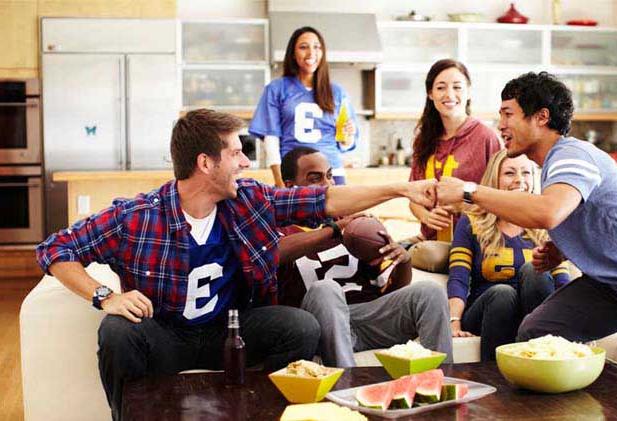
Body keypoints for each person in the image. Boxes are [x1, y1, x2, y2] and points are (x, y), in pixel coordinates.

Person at [36, 109, 436, 420]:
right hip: (167, 335)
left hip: (231, 332)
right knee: (118, 331)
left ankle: (264, 415)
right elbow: (56, 249)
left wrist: (399, 187)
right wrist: (104, 296)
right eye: (236, 153)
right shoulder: (138, 216)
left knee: (299, 326)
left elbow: (324, 200)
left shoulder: (248, 200)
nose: (245, 163)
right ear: (205, 163)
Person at [436, 72, 617, 391]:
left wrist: (469, 191)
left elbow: (548, 211)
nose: (500, 124)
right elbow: (596, 215)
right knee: (537, 333)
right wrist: (562, 248)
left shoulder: (571, 155)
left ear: (541, 117)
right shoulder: (556, 166)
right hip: (613, 284)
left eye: (508, 113)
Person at [275, 146, 453, 367]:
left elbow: (392, 289)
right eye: (315, 179)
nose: (327, 185)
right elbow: (273, 254)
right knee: (326, 289)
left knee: (430, 291)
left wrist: (403, 260)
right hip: (318, 324)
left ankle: (442, 383)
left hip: (369, 317)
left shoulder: (355, 222)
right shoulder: (278, 229)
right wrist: (332, 231)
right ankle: (346, 385)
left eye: (330, 176)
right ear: (290, 187)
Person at [447, 150, 570, 361]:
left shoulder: (547, 223)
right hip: (488, 310)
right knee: (503, 293)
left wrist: (571, 322)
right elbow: (458, 277)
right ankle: (495, 376)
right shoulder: (471, 222)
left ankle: (543, 358)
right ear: (495, 179)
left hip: (533, 311)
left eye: (526, 173)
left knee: (534, 269)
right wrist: (454, 321)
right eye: (510, 173)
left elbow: (561, 281)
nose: (519, 180)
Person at [250, 26, 358, 187]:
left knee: (335, 213)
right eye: (303, 47)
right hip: (295, 175)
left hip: (332, 173)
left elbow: (345, 144)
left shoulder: (337, 92)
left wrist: (348, 135)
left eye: (317, 47)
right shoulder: (277, 89)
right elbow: (271, 137)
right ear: (293, 53)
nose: (311, 53)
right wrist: (279, 179)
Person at [408, 59, 501, 244]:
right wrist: (427, 217)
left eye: (457, 87)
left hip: (476, 243)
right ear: (430, 94)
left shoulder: (486, 138)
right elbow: (413, 199)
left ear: (468, 92)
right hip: (431, 242)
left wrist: (462, 207)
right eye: (441, 88)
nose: (449, 94)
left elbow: (502, 200)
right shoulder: (424, 139)